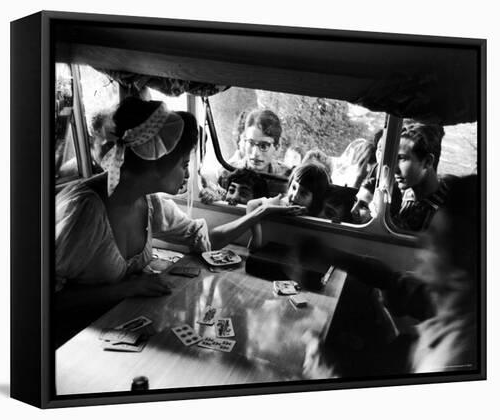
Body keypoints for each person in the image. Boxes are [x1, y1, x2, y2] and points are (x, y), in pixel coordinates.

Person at [56, 96, 302, 295]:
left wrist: (258, 212)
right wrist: (127, 289)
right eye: (184, 164)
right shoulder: (84, 212)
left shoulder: (149, 203)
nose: (187, 173)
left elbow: (203, 238)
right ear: (156, 163)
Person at [302, 175, 478, 377]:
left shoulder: (450, 359)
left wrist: (325, 374)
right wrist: (331, 255)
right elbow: (392, 281)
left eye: (435, 241)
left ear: (460, 275)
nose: (422, 246)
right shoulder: (451, 303)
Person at [247, 163, 329, 250]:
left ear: (315, 200)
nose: (294, 196)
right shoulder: (280, 202)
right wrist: (257, 237)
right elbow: (251, 205)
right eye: (293, 188)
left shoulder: (318, 216)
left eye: (303, 193)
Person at [392, 123, 447, 231]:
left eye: (402, 158)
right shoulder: (404, 194)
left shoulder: (445, 212)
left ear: (427, 161)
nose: (395, 169)